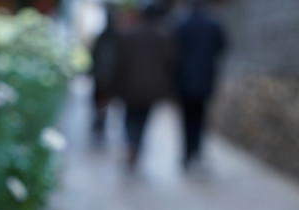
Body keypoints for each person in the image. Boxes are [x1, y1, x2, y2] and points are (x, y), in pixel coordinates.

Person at [111, 4, 176, 168]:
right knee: (143, 118)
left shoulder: (130, 36)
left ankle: (131, 144)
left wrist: (115, 86)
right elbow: (171, 62)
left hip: (130, 87)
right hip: (152, 88)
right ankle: (136, 146)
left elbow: (120, 63)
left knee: (130, 117)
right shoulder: (163, 37)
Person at [173, 0, 226, 172]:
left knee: (186, 119)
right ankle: (197, 152)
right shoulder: (213, 24)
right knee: (200, 119)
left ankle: (187, 154)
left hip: (185, 81)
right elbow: (222, 46)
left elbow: (173, 50)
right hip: (205, 80)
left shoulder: (182, 24)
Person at [90, 7, 119, 144]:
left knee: (102, 102)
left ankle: (100, 121)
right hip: (104, 76)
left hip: (106, 76)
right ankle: (99, 121)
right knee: (100, 102)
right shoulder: (107, 37)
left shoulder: (113, 37)